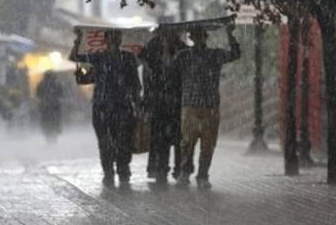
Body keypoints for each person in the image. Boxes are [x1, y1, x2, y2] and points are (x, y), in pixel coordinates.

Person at [69, 29, 141, 188]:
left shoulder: (128, 58)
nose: (115, 40)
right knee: (105, 142)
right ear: (106, 40)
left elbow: (135, 84)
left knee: (123, 141)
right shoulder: (99, 58)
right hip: (103, 107)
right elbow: (74, 57)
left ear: (121, 40)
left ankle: (122, 170)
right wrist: (78, 40)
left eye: (117, 37)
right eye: (112, 37)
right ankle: (109, 172)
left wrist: (137, 102)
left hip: (122, 106)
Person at [173, 24, 241, 189]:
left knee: (208, 144)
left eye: (201, 36)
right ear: (192, 38)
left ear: (205, 37)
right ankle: (185, 171)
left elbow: (235, 54)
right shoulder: (183, 56)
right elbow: (169, 65)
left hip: (209, 106)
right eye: (195, 36)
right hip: (190, 105)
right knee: (187, 143)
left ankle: (202, 175)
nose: (199, 39)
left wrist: (230, 34)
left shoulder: (214, 55)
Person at [139, 28, 188, 185]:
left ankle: (178, 169)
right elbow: (146, 69)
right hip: (160, 101)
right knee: (161, 138)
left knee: (177, 137)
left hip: (175, 101)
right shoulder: (152, 48)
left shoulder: (180, 48)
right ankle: (161, 168)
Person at [36, 70, 63, 143]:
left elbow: (38, 95)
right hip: (54, 107)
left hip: (46, 108)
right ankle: (53, 136)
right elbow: (60, 94)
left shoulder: (41, 84)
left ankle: (49, 136)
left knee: (47, 123)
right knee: (54, 123)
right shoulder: (57, 84)